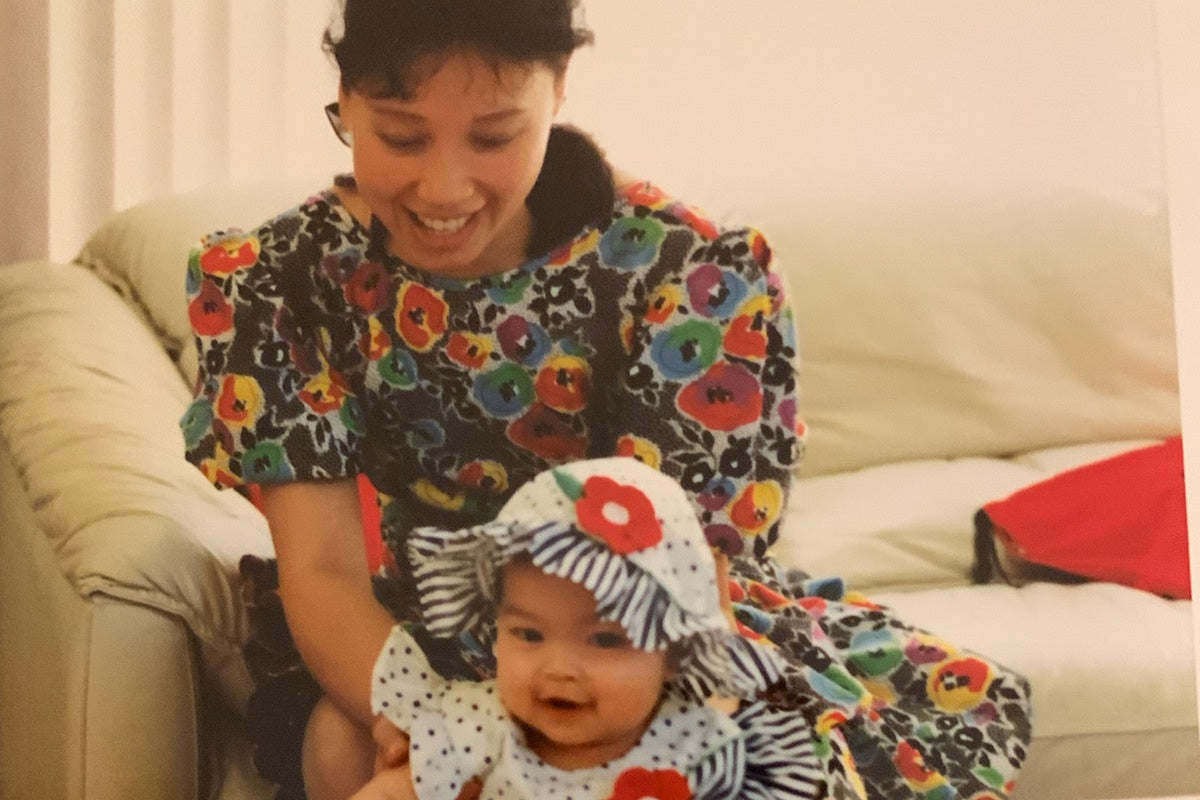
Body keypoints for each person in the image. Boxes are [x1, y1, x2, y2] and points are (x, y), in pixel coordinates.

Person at [181, 2, 1032, 799]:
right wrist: (447, 730)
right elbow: (323, 571)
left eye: (494, 137)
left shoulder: (686, 272)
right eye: (401, 138)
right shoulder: (282, 278)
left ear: (558, 93)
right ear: (345, 104)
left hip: (636, 633)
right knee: (348, 747)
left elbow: (682, 587)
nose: (443, 191)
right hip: (425, 617)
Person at [351, 456, 853, 800]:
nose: (558, 666)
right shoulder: (482, 724)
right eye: (528, 634)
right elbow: (398, 789)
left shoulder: (701, 744)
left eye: (606, 639)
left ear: (673, 649)